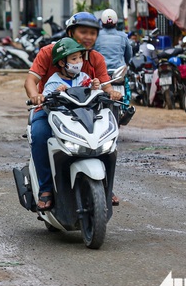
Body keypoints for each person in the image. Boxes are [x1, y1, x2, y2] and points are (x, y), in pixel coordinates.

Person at [24, 12, 122, 210]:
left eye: (93, 33)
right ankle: (46, 188)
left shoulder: (96, 58)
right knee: (40, 134)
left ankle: (105, 185)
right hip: (52, 109)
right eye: (83, 32)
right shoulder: (48, 52)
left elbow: (105, 85)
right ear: (70, 32)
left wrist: (112, 93)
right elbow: (30, 81)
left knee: (107, 135)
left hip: (86, 110)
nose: (89, 37)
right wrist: (36, 96)